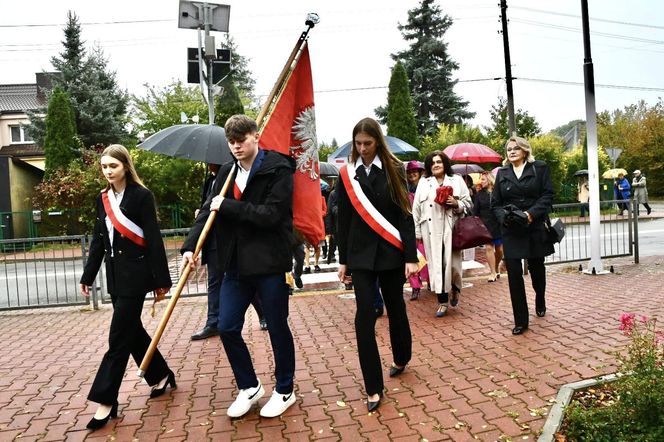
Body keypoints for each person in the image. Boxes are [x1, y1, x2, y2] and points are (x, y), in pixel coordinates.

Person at [180, 115, 297, 418]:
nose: (236, 147)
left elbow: (271, 215)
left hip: (270, 263)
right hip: (233, 265)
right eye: (231, 142)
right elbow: (208, 212)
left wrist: (228, 206)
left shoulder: (278, 168)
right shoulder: (225, 174)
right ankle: (250, 386)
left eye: (241, 140)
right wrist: (190, 247)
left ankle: (285, 390)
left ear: (256, 136)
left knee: (276, 326)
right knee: (226, 326)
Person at [79, 144, 175, 430]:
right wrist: (88, 275)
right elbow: (99, 240)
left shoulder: (142, 196)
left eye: (113, 166)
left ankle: (106, 401)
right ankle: (160, 374)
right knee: (131, 331)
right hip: (115, 278)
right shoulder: (102, 199)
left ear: (125, 167)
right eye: (104, 167)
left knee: (118, 338)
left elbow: (154, 239)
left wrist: (161, 280)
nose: (108, 171)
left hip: (137, 275)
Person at [337, 117, 418, 412]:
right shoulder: (348, 175)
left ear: (377, 142)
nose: (363, 149)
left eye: (368, 144)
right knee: (364, 317)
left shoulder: (395, 170)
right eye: (358, 144)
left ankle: (401, 356)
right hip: (360, 257)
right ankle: (373, 387)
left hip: (390, 253)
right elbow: (343, 220)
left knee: (395, 307)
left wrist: (411, 256)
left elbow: (405, 217)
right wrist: (343, 260)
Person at [190, 164, 267, 340]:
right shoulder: (211, 180)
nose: (208, 164)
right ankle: (213, 323)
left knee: (244, 280)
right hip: (214, 240)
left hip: (233, 240)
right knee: (214, 281)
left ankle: (264, 314)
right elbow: (207, 208)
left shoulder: (238, 176)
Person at [492, 136, 555, 336]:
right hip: (511, 230)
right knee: (514, 275)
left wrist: (530, 214)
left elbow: (548, 195)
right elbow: (496, 203)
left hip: (534, 226)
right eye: (509, 149)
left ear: (525, 151)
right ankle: (521, 320)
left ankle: (540, 298)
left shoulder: (540, 168)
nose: (511, 152)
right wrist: (505, 218)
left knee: (537, 268)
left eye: (516, 148)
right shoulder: (502, 173)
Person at [412, 151, 472, 317]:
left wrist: (456, 203)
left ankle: (455, 288)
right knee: (437, 267)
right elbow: (416, 209)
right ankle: (442, 302)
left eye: (439, 161)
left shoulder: (457, 180)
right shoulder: (424, 183)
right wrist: (417, 232)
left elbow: (468, 203)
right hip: (431, 231)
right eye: (432, 163)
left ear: (445, 163)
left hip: (452, 229)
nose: (436, 165)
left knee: (453, 266)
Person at [473, 171, 503, 282]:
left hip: (498, 224)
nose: (481, 181)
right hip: (485, 225)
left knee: (499, 249)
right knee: (489, 247)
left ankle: (496, 267)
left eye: (483, 179)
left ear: (489, 180)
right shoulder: (479, 194)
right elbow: (475, 211)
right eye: (480, 179)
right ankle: (492, 272)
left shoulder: (497, 192)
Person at [405, 160, 429, 300]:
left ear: (420, 173)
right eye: (409, 172)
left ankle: (432, 282)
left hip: (425, 226)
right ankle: (415, 287)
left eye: (414, 171)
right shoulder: (404, 190)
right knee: (412, 257)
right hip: (409, 229)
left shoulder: (426, 187)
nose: (412, 174)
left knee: (427, 258)